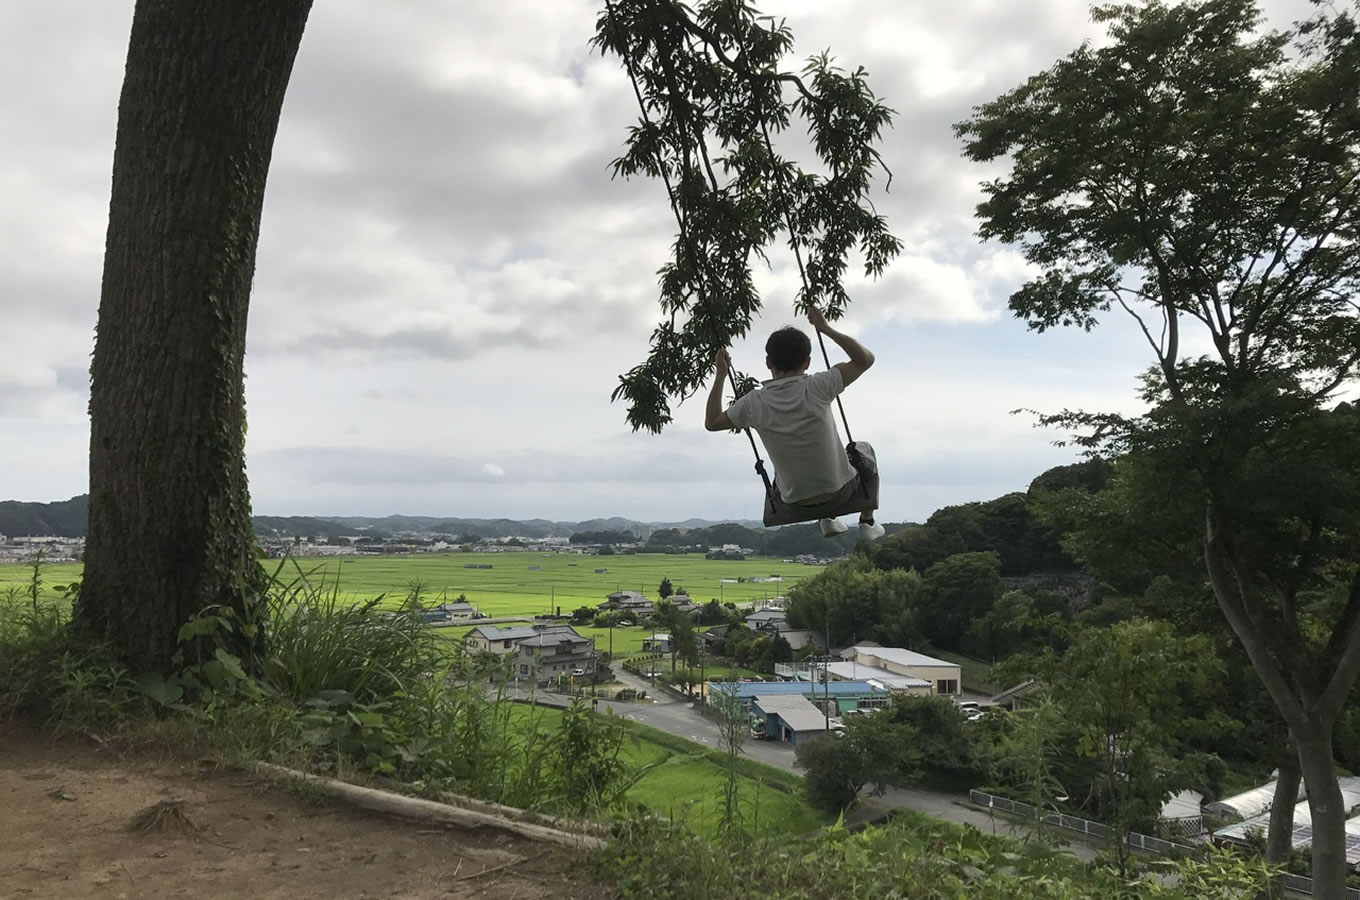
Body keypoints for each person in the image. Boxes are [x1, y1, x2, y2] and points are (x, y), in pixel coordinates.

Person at [704, 308, 884, 542]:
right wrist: (826, 329)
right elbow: (865, 359)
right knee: (864, 449)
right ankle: (867, 522)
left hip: (792, 502)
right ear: (807, 362)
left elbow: (712, 422)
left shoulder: (753, 403)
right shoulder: (819, 385)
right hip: (841, 493)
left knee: (788, 471)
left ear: (768, 362)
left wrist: (720, 374)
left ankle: (828, 520)